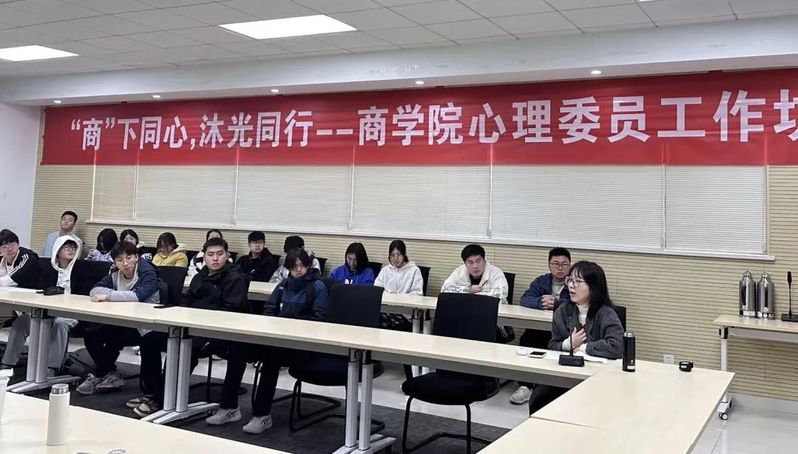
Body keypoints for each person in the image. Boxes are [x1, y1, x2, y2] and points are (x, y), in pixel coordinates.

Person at [209, 247, 327, 434]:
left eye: (302, 265)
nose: (298, 270)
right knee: (238, 349)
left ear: (307, 266)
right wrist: (271, 326)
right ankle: (229, 408)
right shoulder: (284, 285)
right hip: (277, 339)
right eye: (294, 266)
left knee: (272, 357)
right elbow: (270, 309)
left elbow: (319, 320)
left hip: (302, 346)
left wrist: (291, 329)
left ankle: (262, 415)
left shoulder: (317, 287)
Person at [132, 237, 250, 417]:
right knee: (150, 339)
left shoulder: (234, 279)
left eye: (219, 254)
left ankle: (161, 399)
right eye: (210, 254)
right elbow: (187, 301)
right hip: (190, 327)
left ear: (227, 256)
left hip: (218, 332)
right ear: (204, 257)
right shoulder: (200, 276)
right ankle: (152, 391)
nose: (215, 258)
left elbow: (229, 312)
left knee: (186, 348)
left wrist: (199, 319)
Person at [528, 261, 624, 415]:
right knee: (540, 396)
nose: (571, 286)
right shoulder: (562, 311)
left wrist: (584, 347)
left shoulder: (606, 313)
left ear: (593, 287)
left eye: (578, 281)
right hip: (566, 372)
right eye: (570, 280)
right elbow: (553, 345)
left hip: (598, 376)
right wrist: (567, 344)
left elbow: (617, 346)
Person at [76, 242, 160, 395]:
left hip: (144, 326)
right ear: (114, 262)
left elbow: (138, 296)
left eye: (129, 258)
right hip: (122, 321)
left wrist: (108, 296)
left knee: (114, 338)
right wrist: (114, 295)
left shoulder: (148, 273)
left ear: (137, 257)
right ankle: (109, 373)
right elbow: (94, 290)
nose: (125, 263)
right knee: (91, 334)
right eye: (120, 260)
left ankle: (101, 373)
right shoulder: (115, 274)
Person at [1, 236, 78, 374]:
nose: (70, 249)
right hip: (47, 310)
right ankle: (7, 363)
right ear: (57, 250)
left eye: (73, 247)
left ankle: (51, 367)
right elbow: (40, 290)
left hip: (71, 312)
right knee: (21, 322)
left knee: (60, 323)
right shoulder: (48, 268)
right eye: (66, 247)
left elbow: (84, 294)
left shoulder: (81, 268)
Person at [511, 247, 572, 405]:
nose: (560, 268)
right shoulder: (542, 281)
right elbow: (525, 299)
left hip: (565, 329)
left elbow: (579, 303)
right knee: (528, 339)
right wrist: (540, 302)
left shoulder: (575, 282)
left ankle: (556, 386)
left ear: (570, 265)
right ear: (549, 265)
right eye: (556, 264)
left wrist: (557, 303)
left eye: (564, 264)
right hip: (540, 326)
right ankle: (526, 385)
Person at [441, 244, 508, 302]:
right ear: (465, 263)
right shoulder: (459, 271)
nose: (475, 266)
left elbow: (502, 293)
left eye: (478, 261)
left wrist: (471, 295)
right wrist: (468, 290)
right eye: (470, 262)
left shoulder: (496, 272)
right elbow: (445, 289)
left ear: (484, 260)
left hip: (490, 310)